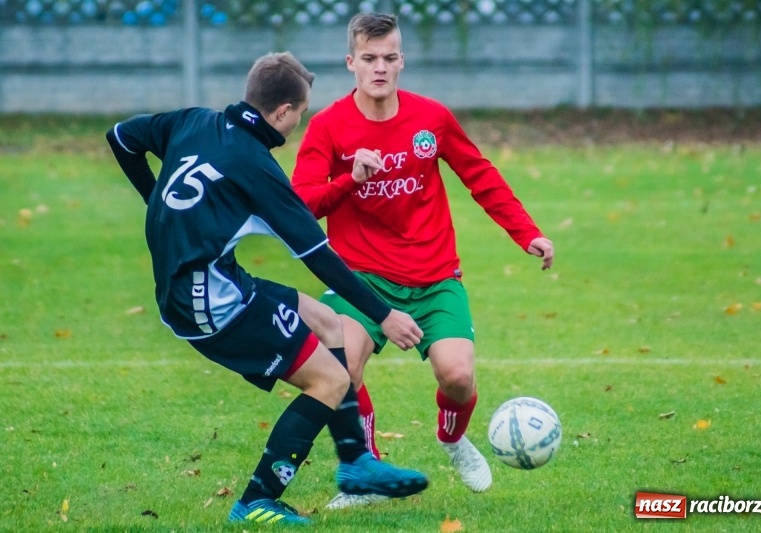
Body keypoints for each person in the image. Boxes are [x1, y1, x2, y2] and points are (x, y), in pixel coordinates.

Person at [105, 51, 429, 526]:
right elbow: (321, 258)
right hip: (210, 306)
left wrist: (155, 199)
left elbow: (121, 138)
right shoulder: (256, 167)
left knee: (328, 321)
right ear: (280, 113)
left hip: (211, 279)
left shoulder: (194, 121)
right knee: (331, 380)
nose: (299, 122)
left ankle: (356, 462)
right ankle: (255, 500)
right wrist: (384, 315)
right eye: (300, 113)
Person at [291, 13, 555, 509]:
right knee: (342, 367)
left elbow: (481, 177)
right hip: (360, 279)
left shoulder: (431, 118)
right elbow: (301, 205)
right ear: (351, 63)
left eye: (390, 57)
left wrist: (528, 233)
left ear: (402, 61)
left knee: (457, 376)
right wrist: (352, 180)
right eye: (369, 58)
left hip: (434, 276)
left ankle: (452, 439)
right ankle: (367, 472)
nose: (380, 68)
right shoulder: (328, 127)